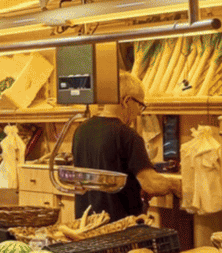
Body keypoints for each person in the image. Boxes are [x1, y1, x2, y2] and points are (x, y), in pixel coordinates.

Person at [70, 73, 182, 223]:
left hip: (85, 227)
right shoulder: (128, 136)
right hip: (118, 229)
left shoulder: (81, 130)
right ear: (127, 101)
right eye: (140, 105)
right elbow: (151, 184)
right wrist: (177, 185)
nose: (138, 113)